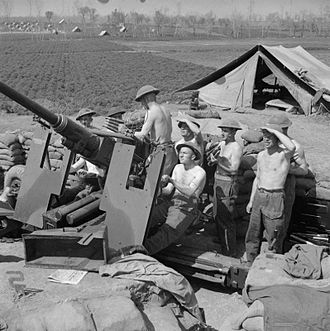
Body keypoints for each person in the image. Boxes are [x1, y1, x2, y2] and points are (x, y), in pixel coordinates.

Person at [245, 124, 296, 265]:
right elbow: (258, 178)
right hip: (259, 196)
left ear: (277, 139)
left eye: (270, 137)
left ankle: (272, 265)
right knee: (253, 232)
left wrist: (274, 130)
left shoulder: (283, 155)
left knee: (274, 235)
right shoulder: (261, 155)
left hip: (275, 197)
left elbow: (292, 147)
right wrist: (251, 200)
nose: (266, 140)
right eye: (265, 137)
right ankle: (250, 262)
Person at [144, 141, 206, 255]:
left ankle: (143, 252)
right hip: (172, 203)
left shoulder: (200, 172)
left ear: (193, 156)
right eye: (180, 152)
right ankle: (131, 243)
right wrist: (158, 186)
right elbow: (168, 190)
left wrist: (171, 180)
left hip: (186, 208)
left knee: (168, 231)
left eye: (185, 153)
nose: (181, 155)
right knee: (146, 217)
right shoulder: (177, 167)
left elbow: (189, 191)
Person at [267, 113, 309, 250]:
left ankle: (276, 250)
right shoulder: (269, 142)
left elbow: (304, 170)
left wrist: (286, 169)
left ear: (284, 129)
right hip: (268, 184)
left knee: (280, 221)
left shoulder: (295, 146)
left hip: (285, 184)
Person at [208, 119, 243, 257]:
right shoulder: (223, 144)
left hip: (228, 183)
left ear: (234, 132)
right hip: (218, 181)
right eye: (222, 130)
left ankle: (230, 251)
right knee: (217, 214)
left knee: (226, 218)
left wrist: (218, 162)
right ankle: (222, 242)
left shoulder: (236, 148)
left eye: (226, 131)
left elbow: (234, 169)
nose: (222, 133)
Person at [134, 85, 177, 176]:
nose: (142, 104)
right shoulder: (165, 109)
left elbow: (142, 135)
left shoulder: (152, 112)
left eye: (141, 101)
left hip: (161, 152)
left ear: (145, 99)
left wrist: (127, 132)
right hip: (170, 151)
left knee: (154, 181)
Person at [70, 108, 104, 200]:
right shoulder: (80, 135)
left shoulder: (98, 133)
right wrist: (72, 169)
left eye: (86, 119)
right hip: (89, 173)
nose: (84, 122)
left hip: (99, 172)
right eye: (82, 120)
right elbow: (83, 158)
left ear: (91, 119)